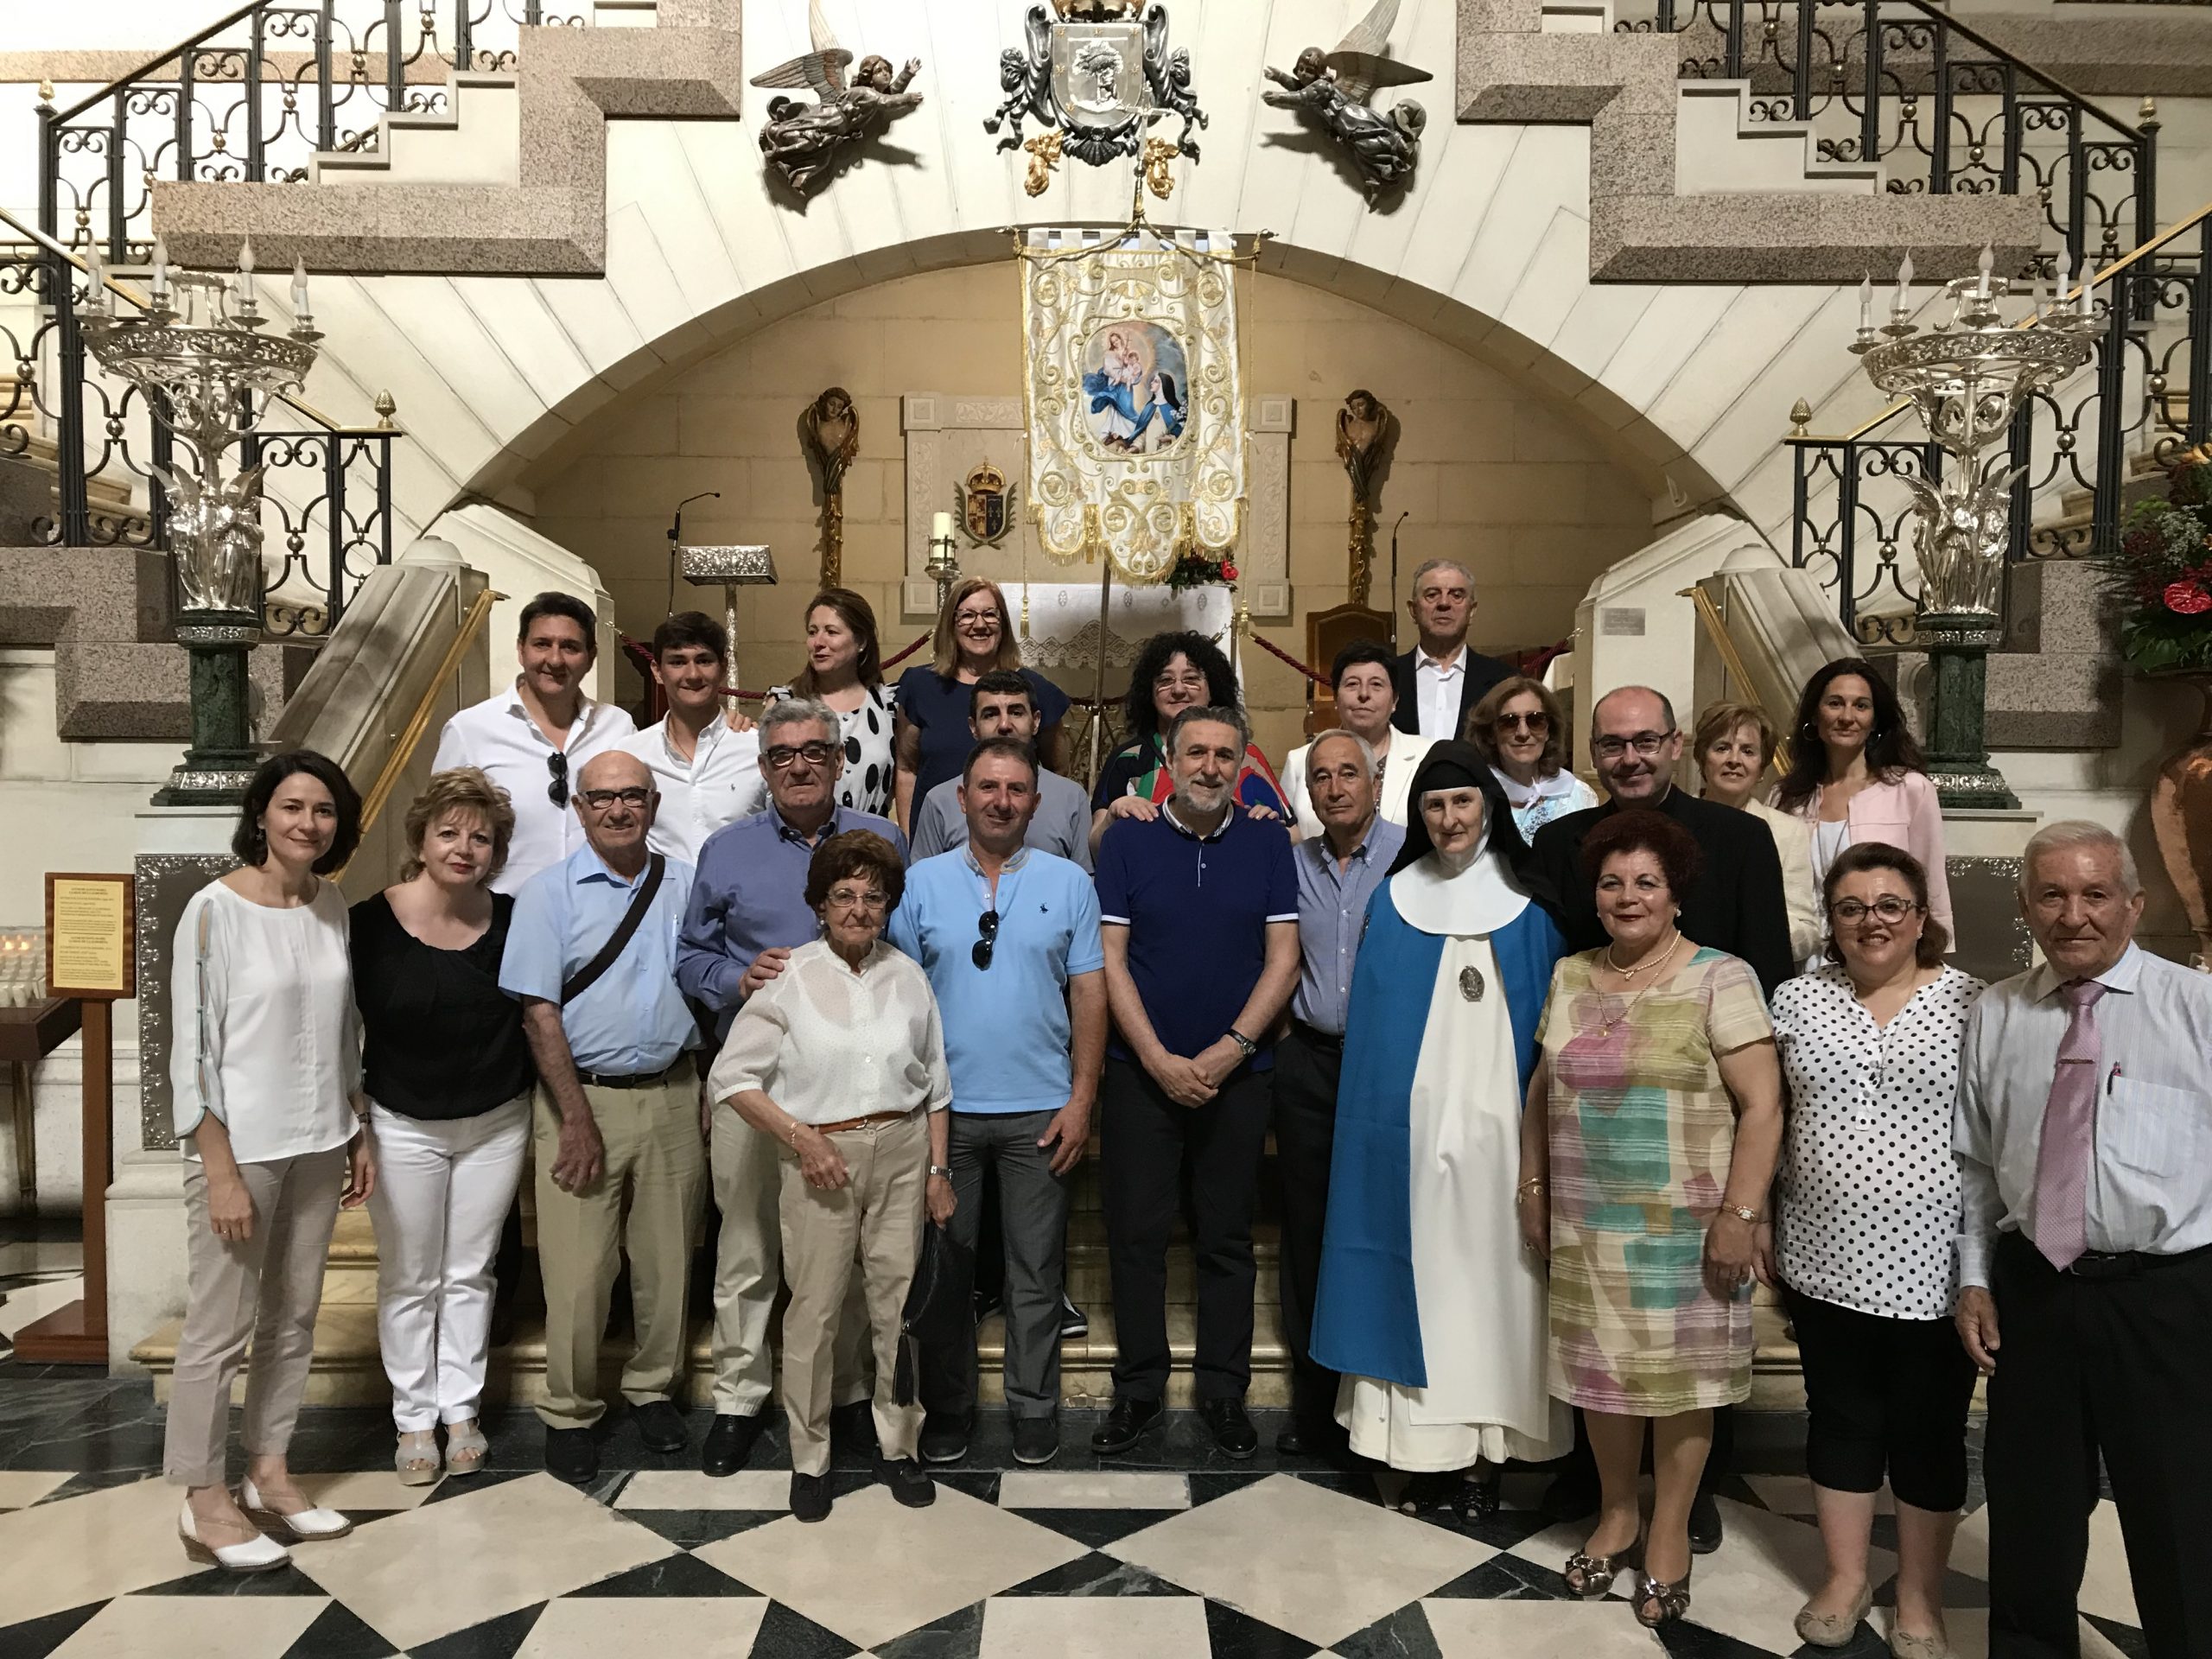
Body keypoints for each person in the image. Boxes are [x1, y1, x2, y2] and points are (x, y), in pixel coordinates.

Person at [1518, 808, 1783, 1629]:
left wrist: (1741, 1213)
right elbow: (1539, 1090)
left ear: (1675, 896)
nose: (1627, 897)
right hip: (1589, 1228)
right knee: (1601, 1384)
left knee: (1681, 1389)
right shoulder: (1570, 976)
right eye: (1611, 883)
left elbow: (1765, 1105)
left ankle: (1668, 1529)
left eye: (1645, 883)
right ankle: (1617, 1513)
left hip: (1687, 1229)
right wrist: (1532, 1187)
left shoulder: (1721, 976)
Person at [1954, 821, 2212, 1659]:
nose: (2073, 915)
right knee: (2030, 1507)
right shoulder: (1996, 1012)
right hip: (2037, 1288)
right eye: (2052, 895)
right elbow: (1978, 1167)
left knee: (2178, 1510)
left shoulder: (2196, 1009)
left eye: (2094, 894)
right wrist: (1974, 1279)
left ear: (2133, 904)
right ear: (2026, 905)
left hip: (2165, 1297)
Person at [1313, 744, 1573, 1512]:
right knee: (1419, 1275)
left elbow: (1547, 1038)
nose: (1450, 819)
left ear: (1488, 807)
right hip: (1412, 1143)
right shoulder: (1392, 903)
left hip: (1505, 1141)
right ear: (1418, 817)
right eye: (1435, 807)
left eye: (1463, 803)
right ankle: (1417, 1448)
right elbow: (1374, 1041)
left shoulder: (1531, 906)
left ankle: (1493, 1453)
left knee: (1501, 1286)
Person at [676, 698, 905, 1477]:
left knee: (837, 1258)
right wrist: (737, 977)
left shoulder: (882, 841)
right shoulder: (727, 850)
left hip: (846, 1094)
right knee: (746, 1251)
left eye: (814, 751)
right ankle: (740, 1399)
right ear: (764, 765)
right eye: (782, 755)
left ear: (840, 761)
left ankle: (842, 1396)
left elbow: (895, 958)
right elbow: (690, 957)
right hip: (755, 1088)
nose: (799, 765)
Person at [1771, 844, 1982, 1658]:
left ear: (1921, 918)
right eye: (1852, 907)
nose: (1872, 921)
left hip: (1936, 1265)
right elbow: (1768, 1115)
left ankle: (1921, 1595)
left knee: (1929, 1433)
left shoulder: (1972, 1003)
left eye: (1891, 905)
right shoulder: (1795, 1000)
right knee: (1841, 1420)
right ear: (1832, 921)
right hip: (1822, 1257)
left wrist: (1979, 1267)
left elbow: (1993, 1145)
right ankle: (1846, 1576)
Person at [166, 751, 374, 1572]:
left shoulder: (331, 905)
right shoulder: (212, 913)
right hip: (241, 1148)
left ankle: (269, 1472)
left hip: (319, 1139)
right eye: (292, 807)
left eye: (323, 812)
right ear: (261, 814)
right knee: (218, 1331)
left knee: (292, 1317)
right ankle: (201, 1497)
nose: (307, 824)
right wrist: (216, 1168)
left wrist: (356, 1123)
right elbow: (194, 1053)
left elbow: (341, 1026)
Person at [709, 831, 954, 1522]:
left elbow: (936, 1084)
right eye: (844, 895)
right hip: (821, 1160)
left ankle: (899, 1445)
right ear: (819, 904)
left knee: (898, 1310)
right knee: (814, 1311)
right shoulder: (788, 976)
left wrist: (939, 1170)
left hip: (903, 1151)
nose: (858, 908)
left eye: (873, 897)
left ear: (887, 907)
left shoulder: (908, 975)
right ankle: (810, 1457)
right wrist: (799, 1136)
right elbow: (732, 1078)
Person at [889, 738, 1106, 1468]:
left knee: (1035, 1271)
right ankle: (948, 1407)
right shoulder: (919, 884)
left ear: (1037, 803)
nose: (1002, 801)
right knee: (947, 1269)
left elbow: (1089, 995)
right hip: (942, 1113)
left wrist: (1082, 1100)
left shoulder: (1070, 882)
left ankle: (1034, 1407)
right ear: (961, 796)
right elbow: (898, 1000)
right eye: (988, 787)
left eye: (1017, 789)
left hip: (1041, 1113)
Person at [1092, 705, 1300, 1459]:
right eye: (1195, 753)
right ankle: (1138, 1388)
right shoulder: (1128, 840)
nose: (1209, 767)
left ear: (1243, 764)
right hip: (1139, 1075)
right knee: (1137, 1236)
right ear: (1169, 762)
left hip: (1238, 1075)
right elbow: (1110, 959)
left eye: (1224, 755)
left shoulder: (1268, 842)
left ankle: (1223, 1390)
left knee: (1226, 1238)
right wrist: (1153, 1056)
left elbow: (1284, 958)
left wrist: (1230, 1049)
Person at [499, 750, 706, 1486]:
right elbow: (538, 1012)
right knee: (581, 1272)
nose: (618, 810)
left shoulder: (685, 883)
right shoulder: (546, 894)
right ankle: (571, 1408)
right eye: (602, 799)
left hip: (676, 1094)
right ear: (580, 810)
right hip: (579, 1101)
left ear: (653, 804)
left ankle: (653, 1390)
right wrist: (576, 1120)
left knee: (667, 1263)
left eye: (632, 797)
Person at [353, 769, 535, 1484]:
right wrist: (354, 1125)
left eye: (481, 837)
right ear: (422, 839)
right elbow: (343, 1028)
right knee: (410, 1275)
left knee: (470, 1273)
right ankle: (412, 1418)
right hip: (401, 1121)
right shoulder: (369, 922)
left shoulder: (513, 919)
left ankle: (461, 1410)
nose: (465, 848)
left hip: (495, 1119)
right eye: (450, 833)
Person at [1274, 729, 1403, 1458]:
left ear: (1375, 781)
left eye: (1348, 774)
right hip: (1311, 1063)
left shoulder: (1412, 857)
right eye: (1320, 777)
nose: (1335, 788)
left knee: (1382, 1225)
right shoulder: (1293, 863)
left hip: (1389, 1066)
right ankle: (1315, 1402)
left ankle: (1384, 1407)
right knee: (1309, 1230)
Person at [1530, 686, 1794, 995]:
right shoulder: (1557, 843)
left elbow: (1770, 973)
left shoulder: (1742, 838)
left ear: (1676, 744)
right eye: (1613, 745)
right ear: (1594, 752)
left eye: (1646, 742)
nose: (1630, 759)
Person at [432, 590, 636, 894]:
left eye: (570, 647)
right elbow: (439, 831)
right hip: (501, 918)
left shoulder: (617, 727)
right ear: (521, 650)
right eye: (542, 644)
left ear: (591, 658)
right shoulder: (471, 729)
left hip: (601, 912)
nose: (555, 659)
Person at [1773, 659, 1952, 965]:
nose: (1847, 716)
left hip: (1882, 957)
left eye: (1861, 706)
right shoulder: (1786, 796)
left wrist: (1931, 966)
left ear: (1875, 721)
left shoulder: (1911, 790)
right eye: (1835, 703)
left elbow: (1931, 888)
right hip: (1803, 963)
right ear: (1815, 717)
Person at [1089, 630, 1287, 856]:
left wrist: (1267, 828)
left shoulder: (1248, 756)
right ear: (1149, 692)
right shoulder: (1129, 758)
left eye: (1191, 679)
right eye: (1165, 680)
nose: (1179, 689)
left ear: (1213, 687)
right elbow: (1096, 848)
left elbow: (1293, 835)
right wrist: (1111, 818)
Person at [893, 577, 1069, 825]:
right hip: (935, 835)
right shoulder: (919, 686)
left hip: (1011, 832)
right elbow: (906, 770)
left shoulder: (1035, 689)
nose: (979, 624)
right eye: (966, 616)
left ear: (1003, 623)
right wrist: (909, 841)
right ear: (950, 624)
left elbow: (1057, 771)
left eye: (990, 614)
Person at [907, 671, 1092, 869]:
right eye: (991, 714)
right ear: (973, 727)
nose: (1004, 725)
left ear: (1036, 721)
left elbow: (1084, 883)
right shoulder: (939, 801)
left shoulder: (1072, 798)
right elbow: (922, 887)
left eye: (1016, 712)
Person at [624, 612, 763, 864]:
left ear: (724, 667)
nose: (693, 675)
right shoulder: (631, 755)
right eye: (678, 662)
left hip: (738, 902)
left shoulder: (755, 749)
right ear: (657, 670)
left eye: (704, 660)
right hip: (662, 901)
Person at [1694, 700, 1821, 966]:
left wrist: (1751, 942)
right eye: (1722, 748)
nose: (1734, 760)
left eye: (1748, 751)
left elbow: (1806, 928)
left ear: (1762, 768)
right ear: (1702, 758)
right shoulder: (1675, 823)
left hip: (1758, 976)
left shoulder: (1788, 832)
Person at [1278, 641, 1436, 837]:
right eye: (1352, 684)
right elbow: (1287, 834)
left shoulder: (1427, 755)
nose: (1363, 694)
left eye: (1376, 685)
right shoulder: (1299, 761)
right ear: (1336, 698)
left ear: (1395, 700)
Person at [766, 588, 899, 818]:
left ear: (860, 642)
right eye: (812, 632)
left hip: (870, 844)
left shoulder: (889, 706)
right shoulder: (784, 703)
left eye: (831, 632)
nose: (818, 642)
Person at [1389, 559, 1514, 741]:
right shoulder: (1388, 676)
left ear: (1471, 611)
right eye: (1432, 595)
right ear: (1413, 610)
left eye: (1457, 595)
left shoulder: (1503, 681)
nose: (1444, 603)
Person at [1466, 674, 1596, 840]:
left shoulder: (1578, 796)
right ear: (1490, 734)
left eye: (1535, 720)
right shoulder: (1476, 796)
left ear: (1549, 730)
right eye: (1509, 722)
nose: (1523, 733)